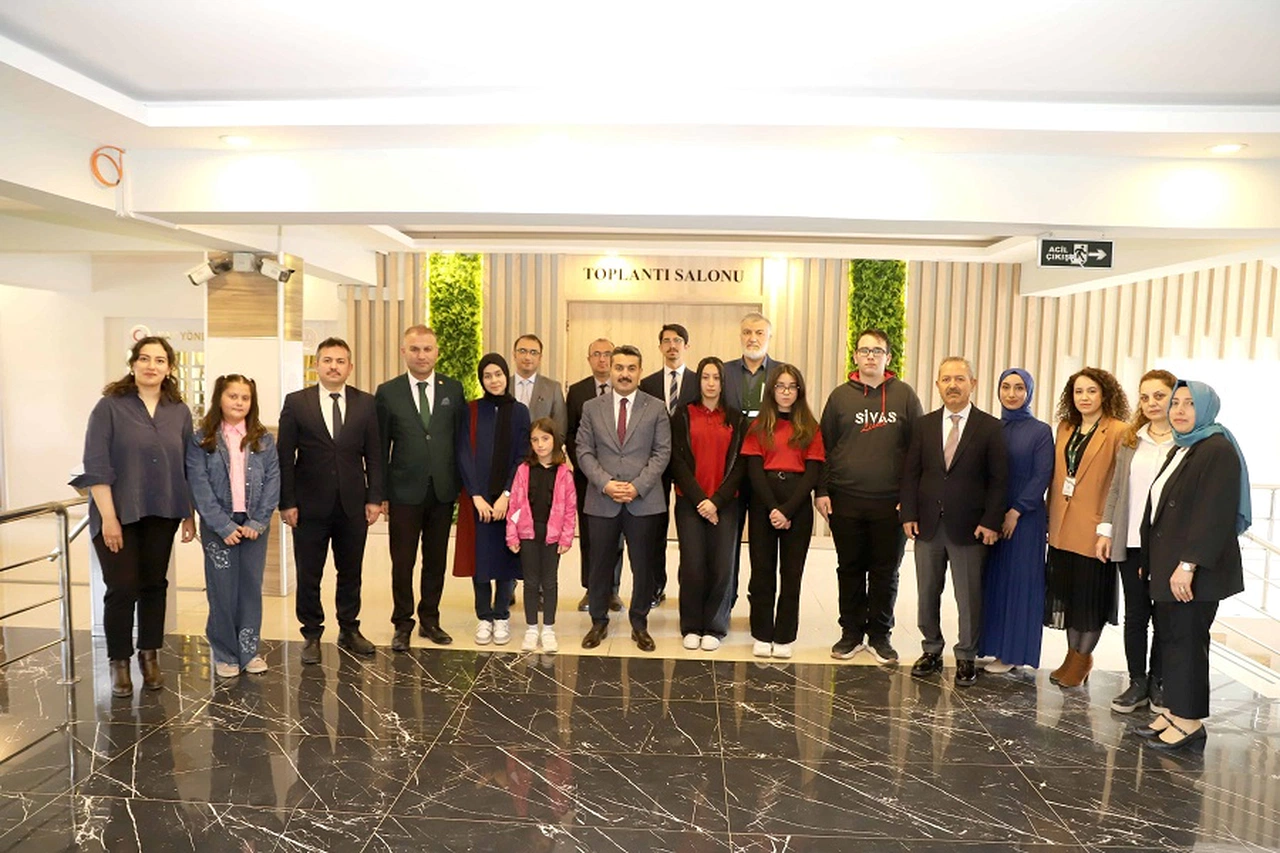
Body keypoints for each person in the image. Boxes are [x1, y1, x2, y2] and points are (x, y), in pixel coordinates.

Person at [73, 336, 197, 697]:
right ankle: (119, 662)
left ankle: (150, 655)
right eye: (144, 358)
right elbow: (96, 465)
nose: (151, 366)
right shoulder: (109, 407)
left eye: (159, 360)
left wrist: (189, 515)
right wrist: (109, 518)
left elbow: (187, 466)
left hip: (163, 511)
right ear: (133, 364)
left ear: (169, 368)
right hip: (118, 512)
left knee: (154, 585)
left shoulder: (179, 411)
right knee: (122, 587)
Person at [1134, 380, 1248, 750]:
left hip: (1194, 571)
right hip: (1169, 567)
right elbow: (1159, 509)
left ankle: (1189, 721)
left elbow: (1213, 514)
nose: (1180, 410)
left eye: (1189, 403)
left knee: (1187, 642)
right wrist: (1149, 561)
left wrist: (1188, 564)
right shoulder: (1184, 447)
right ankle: (1172, 711)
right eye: (1176, 403)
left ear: (1206, 408)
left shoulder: (1217, 449)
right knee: (1170, 639)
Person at [816, 328, 923, 665]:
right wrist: (822, 490)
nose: (871, 356)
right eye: (864, 351)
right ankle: (850, 633)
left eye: (877, 351)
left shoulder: (905, 396)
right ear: (855, 356)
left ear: (888, 357)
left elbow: (918, 452)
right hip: (845, 499)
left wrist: (910, 498)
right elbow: (823, 447)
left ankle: (880, 635)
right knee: (849, 568)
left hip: (891, 503)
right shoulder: (839, 397)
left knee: (885, 572)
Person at [900, 356, 1007, 687]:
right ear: (937, 385)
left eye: (960, 379)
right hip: (928, 524)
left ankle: (966, 656)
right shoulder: (924, 425)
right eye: (946, 379)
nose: (953, 385)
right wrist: (908, 514)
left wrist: (991, 521)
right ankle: (931, 649)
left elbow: (999, 480)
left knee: (968, 597)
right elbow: (911, 473)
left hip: (970, 527)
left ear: (972, 384)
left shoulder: (990, 427)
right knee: (927, 592)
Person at [278, 337, 384, 665]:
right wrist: (287, 502)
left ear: (350, 367)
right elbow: (285, 456)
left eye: (340, 361)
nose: (333, 366)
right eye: (327, 360)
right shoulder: (297, 403)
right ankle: (311, 633)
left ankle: (349, 628)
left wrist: (375, 498)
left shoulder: (366, 403)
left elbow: (375, 455)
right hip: (308, 506)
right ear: (316, 365)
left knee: (350, 571)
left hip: (353, 505)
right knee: (309, 572)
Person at [374, 325, 466, 651]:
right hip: (403, 492)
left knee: (435, 560)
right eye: (415, 349)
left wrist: (461, 485)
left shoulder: (452, 389)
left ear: (437, 352)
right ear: (404, 352)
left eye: (427, 349)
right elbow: (379, 447)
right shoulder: (388, 392)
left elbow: (460, 442)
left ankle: (430, 619)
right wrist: (380, 493)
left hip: (442, 490)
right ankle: (402, 623)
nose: (422, 355)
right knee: (403, 562)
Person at [576, 344, 672, 652]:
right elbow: (583, 450)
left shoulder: (656, 407)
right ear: (610, 369)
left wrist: (637, 486)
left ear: (640, 372)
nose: (625, 374)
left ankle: (639, 624)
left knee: (643, 566)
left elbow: (662, 452)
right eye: (619, 368)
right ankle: (598, 621)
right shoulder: (592, 407)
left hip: (643, 501)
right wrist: (605, 484)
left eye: (631, 368)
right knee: (599, 565)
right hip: (602, 500)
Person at [186, 374, 280, 678]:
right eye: (233, 396)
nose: (239, 402)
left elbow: (273, 481)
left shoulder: (263, 439)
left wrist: (259, 521)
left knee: (250, 588)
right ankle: (225, 653)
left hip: (253, 525)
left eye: (245, 398)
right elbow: (198, 485)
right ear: (220, 399)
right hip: (218, 525)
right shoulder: (202, 439)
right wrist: (221, 525)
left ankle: (248, 651)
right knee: (222, 590)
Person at [1096, 369, 1177, 713]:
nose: (1151, 403)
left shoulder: (1186, 442)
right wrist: (1105, 531)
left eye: (1159, 396)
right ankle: (1137, 682)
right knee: (1136, 615)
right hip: (1131, 541)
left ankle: (1159, 682)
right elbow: (1116, 489)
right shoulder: (1132, 440)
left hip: (1169, 545)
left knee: (1165, 616)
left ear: (1174, 397)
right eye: (1145, 397)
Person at [1044, 366, 1130, 688]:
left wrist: (1108, 527)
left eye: (1091, 391)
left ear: (1105, 394)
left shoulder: (1119, 431)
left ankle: (1083, 659)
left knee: (1090, 599)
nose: (1084, 397)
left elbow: (1120, 484)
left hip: (1096, 530)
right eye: (1078, 391)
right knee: (1068, 596)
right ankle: (1072, 657)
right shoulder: (1065, 427)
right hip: (1062, 525)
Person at [741, 363, 826, 659]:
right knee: (762, 572)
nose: (786, 392)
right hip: (764, 502)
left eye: (792, 386)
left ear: (799, 391)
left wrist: (787, 511)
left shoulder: (810, 427)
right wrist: (773, 509)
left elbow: (813, 473)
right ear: (772, 390)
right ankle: (762, 633)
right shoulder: (758, 426)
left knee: (791, 574)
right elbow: (754, 470)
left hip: (797, 503)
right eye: (780, 386)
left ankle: (785, 635)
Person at [977, 368, 1054, 673]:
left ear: (1029, 392)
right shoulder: (992, 428)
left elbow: (1042, 476)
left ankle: (1012, 654)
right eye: (1006, 387)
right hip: (992, 517)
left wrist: (1015, 511)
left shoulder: (1040, 431)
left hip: (1025, 520)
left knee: (1019, 585)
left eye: (1019, 388)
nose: (1011, 393)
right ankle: (993, 646)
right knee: (994, 582)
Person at [669, 356, 747, 651]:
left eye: (716, 378)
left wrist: (716, 501)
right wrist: (701, 500)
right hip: (690, 501)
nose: (711, 383)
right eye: (705, 377)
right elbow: (677, 461)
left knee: (722, 565)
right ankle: (691, 625)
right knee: (693, 564)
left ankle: (715, 626)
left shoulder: (737, 418)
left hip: (726, 503)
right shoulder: (683, 415)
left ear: (723, 382)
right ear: (698, 381)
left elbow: (740, 465)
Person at [455, 354, 531, 646]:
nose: (494, 380)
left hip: (508, 500)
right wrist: (476, 495)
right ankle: (484, 617)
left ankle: (501, 616)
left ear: (506, 375)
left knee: (506, 557)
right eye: (487, 376)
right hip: (477, 500)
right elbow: (463, 452)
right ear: (481, 380)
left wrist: (507, 496)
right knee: (480, 559)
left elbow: (522, 456)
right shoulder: (471, 410)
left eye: (498, 374)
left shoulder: (520, 411)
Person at [720, 312, 781, 622]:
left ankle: (759, 607)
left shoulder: (782, 374)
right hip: (730, 468)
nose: (752, 338)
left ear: (769, 337)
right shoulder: (724, 372)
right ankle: (724, 603)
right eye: (747, 332)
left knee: (761, 546)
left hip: (766, 470)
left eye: (759, 333)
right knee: (727, 543)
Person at [639, 322, 700, 607]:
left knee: (691, 530)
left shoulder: (699, 381)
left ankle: (689, 587)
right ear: (660, 346)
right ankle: (655, 586)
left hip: (690, 465)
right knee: (655, 529)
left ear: (686, 346)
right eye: (666, 341)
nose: (672, 345)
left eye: (677, 340)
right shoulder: (648, 384)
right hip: (656, 464)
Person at [506, 417, 577, 654]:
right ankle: (530, 628)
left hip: (552, 535)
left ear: (554, 440)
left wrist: (566, 537)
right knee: (530, 582)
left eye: (545, 439)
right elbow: (514, 505)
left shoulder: (564, 474)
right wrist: (512, 535)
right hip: (528, 532)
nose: (540, 444)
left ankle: (547, 628)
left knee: (549, 582)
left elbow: (570, 509)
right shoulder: (523, 470)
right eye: (535, 440)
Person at [565, 338, 624, 614]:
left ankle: (612, 590)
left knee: (617, 535)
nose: (602, 359)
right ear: (589, 359)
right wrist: (586, 467)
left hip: (620, 476)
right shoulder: (577, 392)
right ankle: (591, 588)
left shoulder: (626, 389)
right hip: (587, 477)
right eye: (596, 354)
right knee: (590, 534)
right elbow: (570, 434)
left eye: (607, 354)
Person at [511, 333, 568, 440]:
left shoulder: (553, 388)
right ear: (514, 355)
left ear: (540, 357)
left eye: (533, 352)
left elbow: (560, 431)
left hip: (542, 450)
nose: (527, 357)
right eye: (522, 351)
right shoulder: (503, 387)